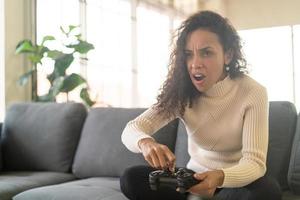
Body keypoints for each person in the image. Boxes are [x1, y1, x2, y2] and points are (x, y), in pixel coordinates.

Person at [120, 10, 282, 200]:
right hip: (192, 179)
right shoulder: (181, 92)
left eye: (206, 53)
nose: (195, 64)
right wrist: (146, 143)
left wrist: (219, 177)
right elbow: (132, 129)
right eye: (189, 54)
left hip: (231, 181)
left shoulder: (253, 92)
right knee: (131, 178)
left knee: (267, 191)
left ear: (227, 55)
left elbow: (254, 163)